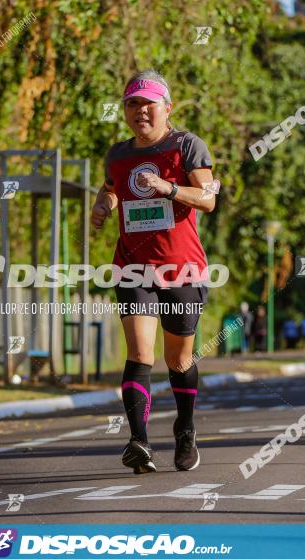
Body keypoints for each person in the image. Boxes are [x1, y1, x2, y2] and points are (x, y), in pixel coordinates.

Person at [90, 69, 216, 474]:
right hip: (133, 266)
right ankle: (138, 440)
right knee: (139, 353)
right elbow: (111, 187)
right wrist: (102, 206)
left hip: (182, 270)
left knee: (177, 360)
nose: (140, 110)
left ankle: (186, 430)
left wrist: (171, 189)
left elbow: (210, 197)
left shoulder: (186, 146)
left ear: (167, 107)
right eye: (132, 103)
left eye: (148, 103)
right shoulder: (119, 153)